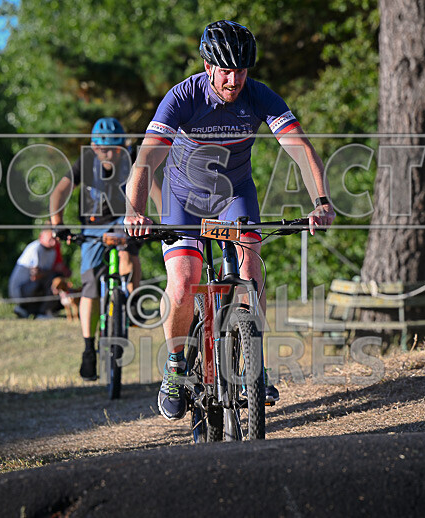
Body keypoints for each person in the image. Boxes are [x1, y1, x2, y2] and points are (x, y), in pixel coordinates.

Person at [125, 20, 336, 421]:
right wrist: (134, 210)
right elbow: (148, 158)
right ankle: (175, 368)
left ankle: (253, 362)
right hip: (183, 199)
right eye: (225, 70)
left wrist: (321, 201)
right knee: (185, 279)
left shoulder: (258, 96)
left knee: (249, 264)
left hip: (234, 196)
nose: (234, 79)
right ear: (208, 68)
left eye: (241, 70)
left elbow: (298, 146)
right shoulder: (182, 97)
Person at [50, 117, 161, 381]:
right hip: (93, 225)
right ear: (94, 147)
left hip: (126, 219)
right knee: (89, 284)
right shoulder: (84, 163)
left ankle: (130, 301)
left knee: (128, 250)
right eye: (102, 149)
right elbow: (60, 192)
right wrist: (57, 224)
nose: (108, 154)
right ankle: (89, 348)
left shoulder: (133, 158)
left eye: (114, 148)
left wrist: (164, 219)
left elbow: (155, 188)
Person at [8, 229, 70, 319]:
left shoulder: (52, 252)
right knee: (52, 279)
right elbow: (35, 276)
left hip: (31, 288)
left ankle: (30, 310)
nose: (53, 241)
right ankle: (43, 312)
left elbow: (44, 273)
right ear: (41, 238)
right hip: (19, 291)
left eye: (54, 238)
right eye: (50, 239)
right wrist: (54, 271)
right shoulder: (35, 248)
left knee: (56, 280)